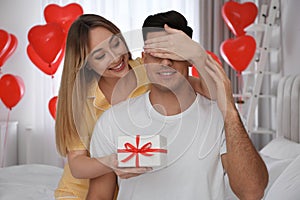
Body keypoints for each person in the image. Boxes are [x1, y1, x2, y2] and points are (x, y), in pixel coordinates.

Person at [87, 10, 268, 200]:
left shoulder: (220, 117)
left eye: (175, 52)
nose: (166, 61)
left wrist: (229, 110)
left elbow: (252, 192)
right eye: (158, 53)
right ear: (145, 58)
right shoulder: (113, 121)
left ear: (190, 59)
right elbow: (99, 195)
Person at [54, 14, 210, 200]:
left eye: (115, 43)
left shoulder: (148, 68)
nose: (115, 58)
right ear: (87, 64)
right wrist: (114, 161)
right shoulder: (81, 100)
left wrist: (195, 53)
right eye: (100, 55)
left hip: (124, 188)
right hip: (79, 193)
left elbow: (204, 88)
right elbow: (77, 166)